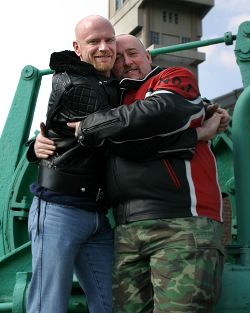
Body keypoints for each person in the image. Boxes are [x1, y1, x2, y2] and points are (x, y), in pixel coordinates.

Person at [33, 33, 229, 313]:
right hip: (126, 229)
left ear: (148, 56)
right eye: (119, 58)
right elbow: (73, 132)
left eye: (134, 54)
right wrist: (36, 146)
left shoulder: (174, 77)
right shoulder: (113, 99)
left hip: (181, 225)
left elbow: (158, 114)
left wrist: (90, 128)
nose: (127, 62)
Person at [26, 15, 119, 313]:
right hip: (59, 210)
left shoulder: (106, 82)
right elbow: (114, 128)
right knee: (48, 304)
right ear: (78, 48)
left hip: (96, 215)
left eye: (110, 40)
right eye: (94, 42)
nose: (104, 47)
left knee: (110, 303)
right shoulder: (80, 85)